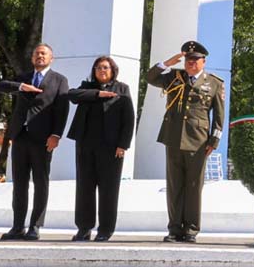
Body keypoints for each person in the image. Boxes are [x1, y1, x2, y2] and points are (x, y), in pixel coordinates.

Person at [146, 40, 225, 243]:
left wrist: (213, 142)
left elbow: (219, 116)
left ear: (203, 62)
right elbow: (150, 77)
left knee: (193, 186)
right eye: (188, 59)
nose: (191, 63)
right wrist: (169, 62)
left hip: (198, 141)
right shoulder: (175, 77)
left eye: (195, 60)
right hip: (173, 138)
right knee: (174, 186)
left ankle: (191, 229)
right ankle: (174, 229)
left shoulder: (214, 83)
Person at [0, 43, 70, 241]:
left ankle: (35, 226)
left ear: (51, 58)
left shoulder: (59, 80)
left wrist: (56, 134)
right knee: (19, 184)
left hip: (43, 139)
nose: (40, 56)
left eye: (43, 54)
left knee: (40, 182)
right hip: (20, 136)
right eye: (37, 53)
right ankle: (17, 226)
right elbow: (0, 85)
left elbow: (62, 110)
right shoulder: (23, 78)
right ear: (32, 58)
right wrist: (21, 86)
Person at [66, 56, 135, 242]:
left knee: (108, 189)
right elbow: (71, 95)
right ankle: (84, 228)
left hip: (111, 147)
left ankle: (105, 229)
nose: (101, 71)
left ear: (112, 70)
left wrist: (123, 145)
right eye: (97, 68)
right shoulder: (87, 87)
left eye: (105, 67)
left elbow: (129, 119)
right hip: (85, 145)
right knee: (84, 188)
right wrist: (98, 94)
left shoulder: (121, 89)